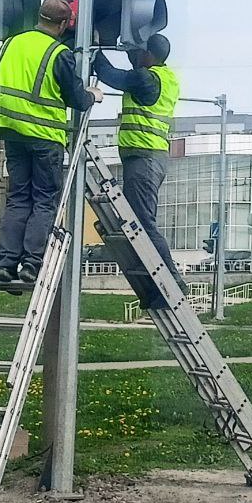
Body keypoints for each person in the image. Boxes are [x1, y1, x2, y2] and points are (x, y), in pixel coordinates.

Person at [0, 0, 101, 286]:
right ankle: (31, 263)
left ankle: (5, 263)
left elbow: (0, 74)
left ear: (39, 17)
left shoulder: (10, 44)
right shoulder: (58, 53)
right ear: (64, 24)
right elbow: (76, 99)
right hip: (45, 138)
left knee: (17, 199)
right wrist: (92, 95)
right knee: (43, 201)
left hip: (12, 133)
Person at [92, 33, 182, 306]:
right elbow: (133, 61)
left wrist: (91, 46)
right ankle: (156, 287)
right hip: (148, 157)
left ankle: (172, 282)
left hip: (144, 158)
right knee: (138, 222)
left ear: (149, 56)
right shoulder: (163, 77)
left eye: (140, 53)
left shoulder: (145, 79)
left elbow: (110, 74)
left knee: (143, 223)